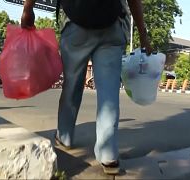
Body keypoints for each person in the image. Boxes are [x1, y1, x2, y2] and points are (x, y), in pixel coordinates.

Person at [21, 0, 152, 175]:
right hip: (112, 26)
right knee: (109, 93)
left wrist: (28, 9)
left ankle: (64, 136)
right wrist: (143, 35)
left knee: (72, 84)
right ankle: (109, 155)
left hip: (75, 25)